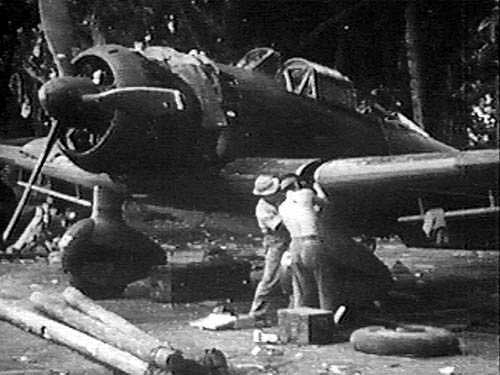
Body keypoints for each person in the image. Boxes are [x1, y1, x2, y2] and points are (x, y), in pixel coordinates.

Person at [278, 173, 332, 310]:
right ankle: (326, 318)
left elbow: (307, 216)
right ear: (297, 184)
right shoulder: (306, 194)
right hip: (311, 242)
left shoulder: (282, 207)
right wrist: (317, 187)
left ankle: (299, 319)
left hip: (294, 245)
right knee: (323, 285)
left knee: (301, 289)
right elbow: (325, 202)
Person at [248, 174, 290, 318]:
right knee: (270, 277)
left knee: (294, 271)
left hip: (289, 236)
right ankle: (256, 311)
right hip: (276, 240)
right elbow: (281, 226)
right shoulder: (263, 208)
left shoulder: (279, 199)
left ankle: (294, 306)